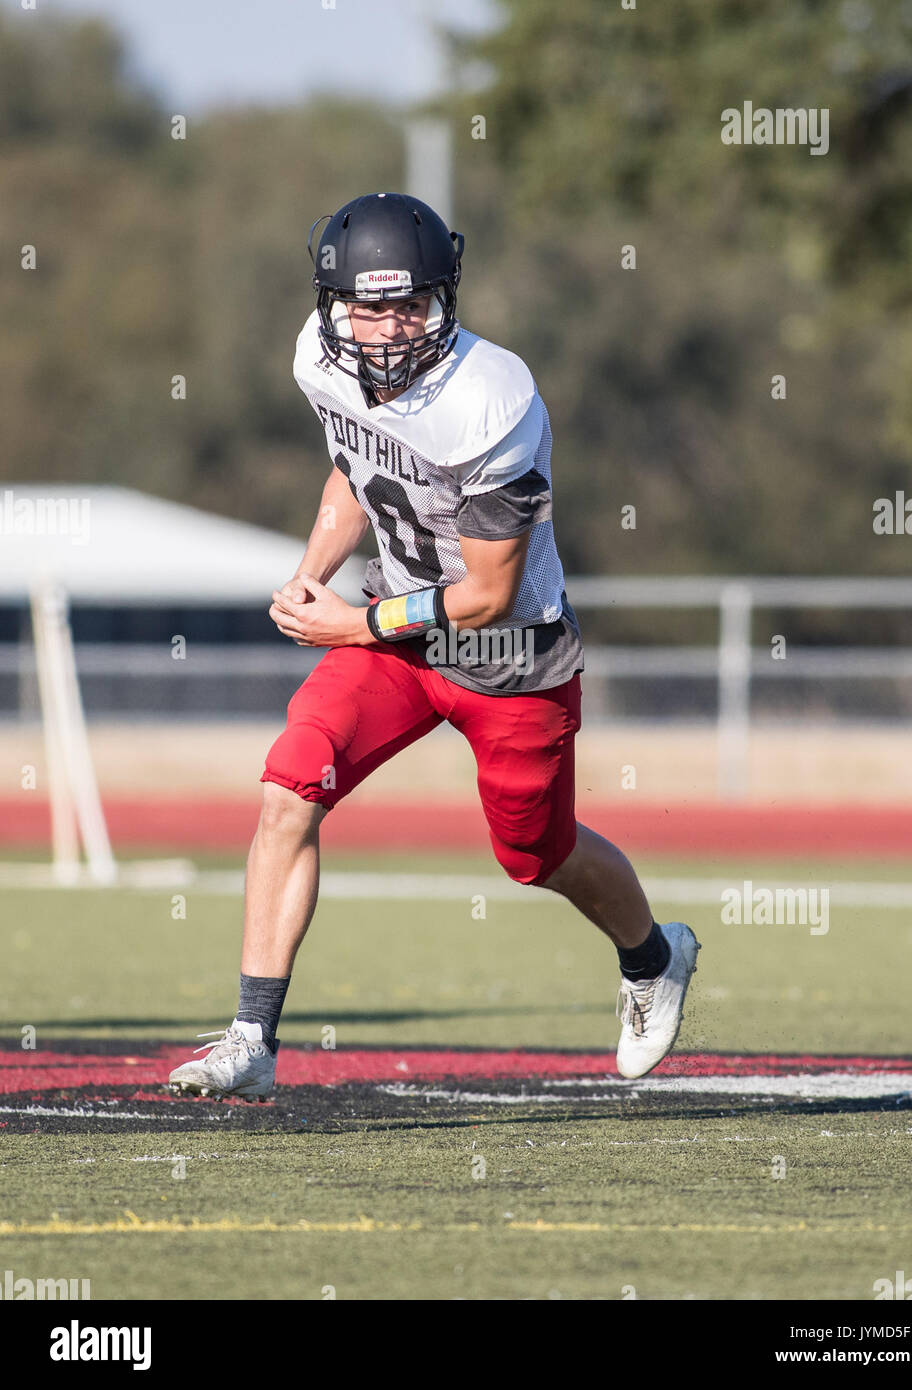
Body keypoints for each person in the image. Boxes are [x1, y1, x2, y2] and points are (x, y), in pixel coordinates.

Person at [168, 192, 700, 1102]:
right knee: (293, 776)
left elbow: (488, 595)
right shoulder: (317, 358)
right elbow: (355, 466)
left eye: (409, 303)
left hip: (509, 659)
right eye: (368, 306)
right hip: (396, 640)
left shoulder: (488, 397)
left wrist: (350, 623)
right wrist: (313, 571)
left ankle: (655, 957)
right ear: (332, 302)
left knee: (538, 855)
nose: (387, 327)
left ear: (445, 298)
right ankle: (251, 1037)